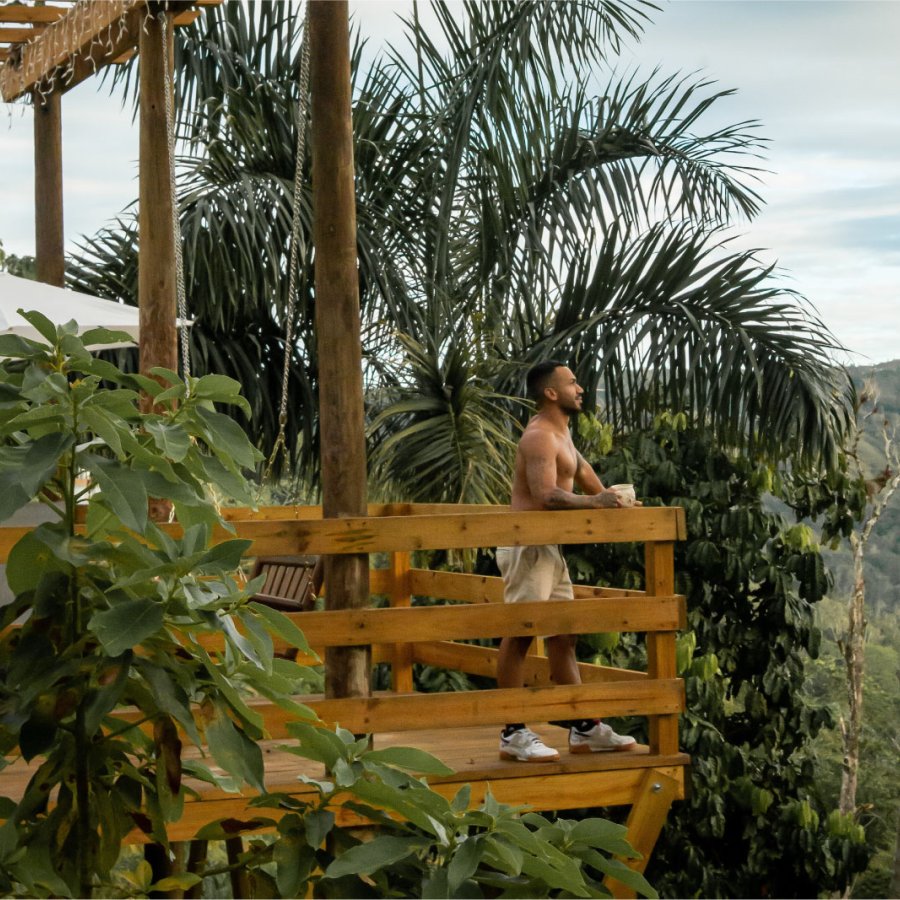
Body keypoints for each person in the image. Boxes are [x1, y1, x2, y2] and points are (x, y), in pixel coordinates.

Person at [496, 360, 638, 762]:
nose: (580, 388)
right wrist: (596, 502)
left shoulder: (562, 433)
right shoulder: (538, 436)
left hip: (550, 548)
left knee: (564, 635)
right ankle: (512, 732)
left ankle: (584, 728)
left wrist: (616, 498)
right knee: (521, 632)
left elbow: (582, 469)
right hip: (528, 545)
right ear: (550, 393)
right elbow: (546, 495)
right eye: (572, 383)